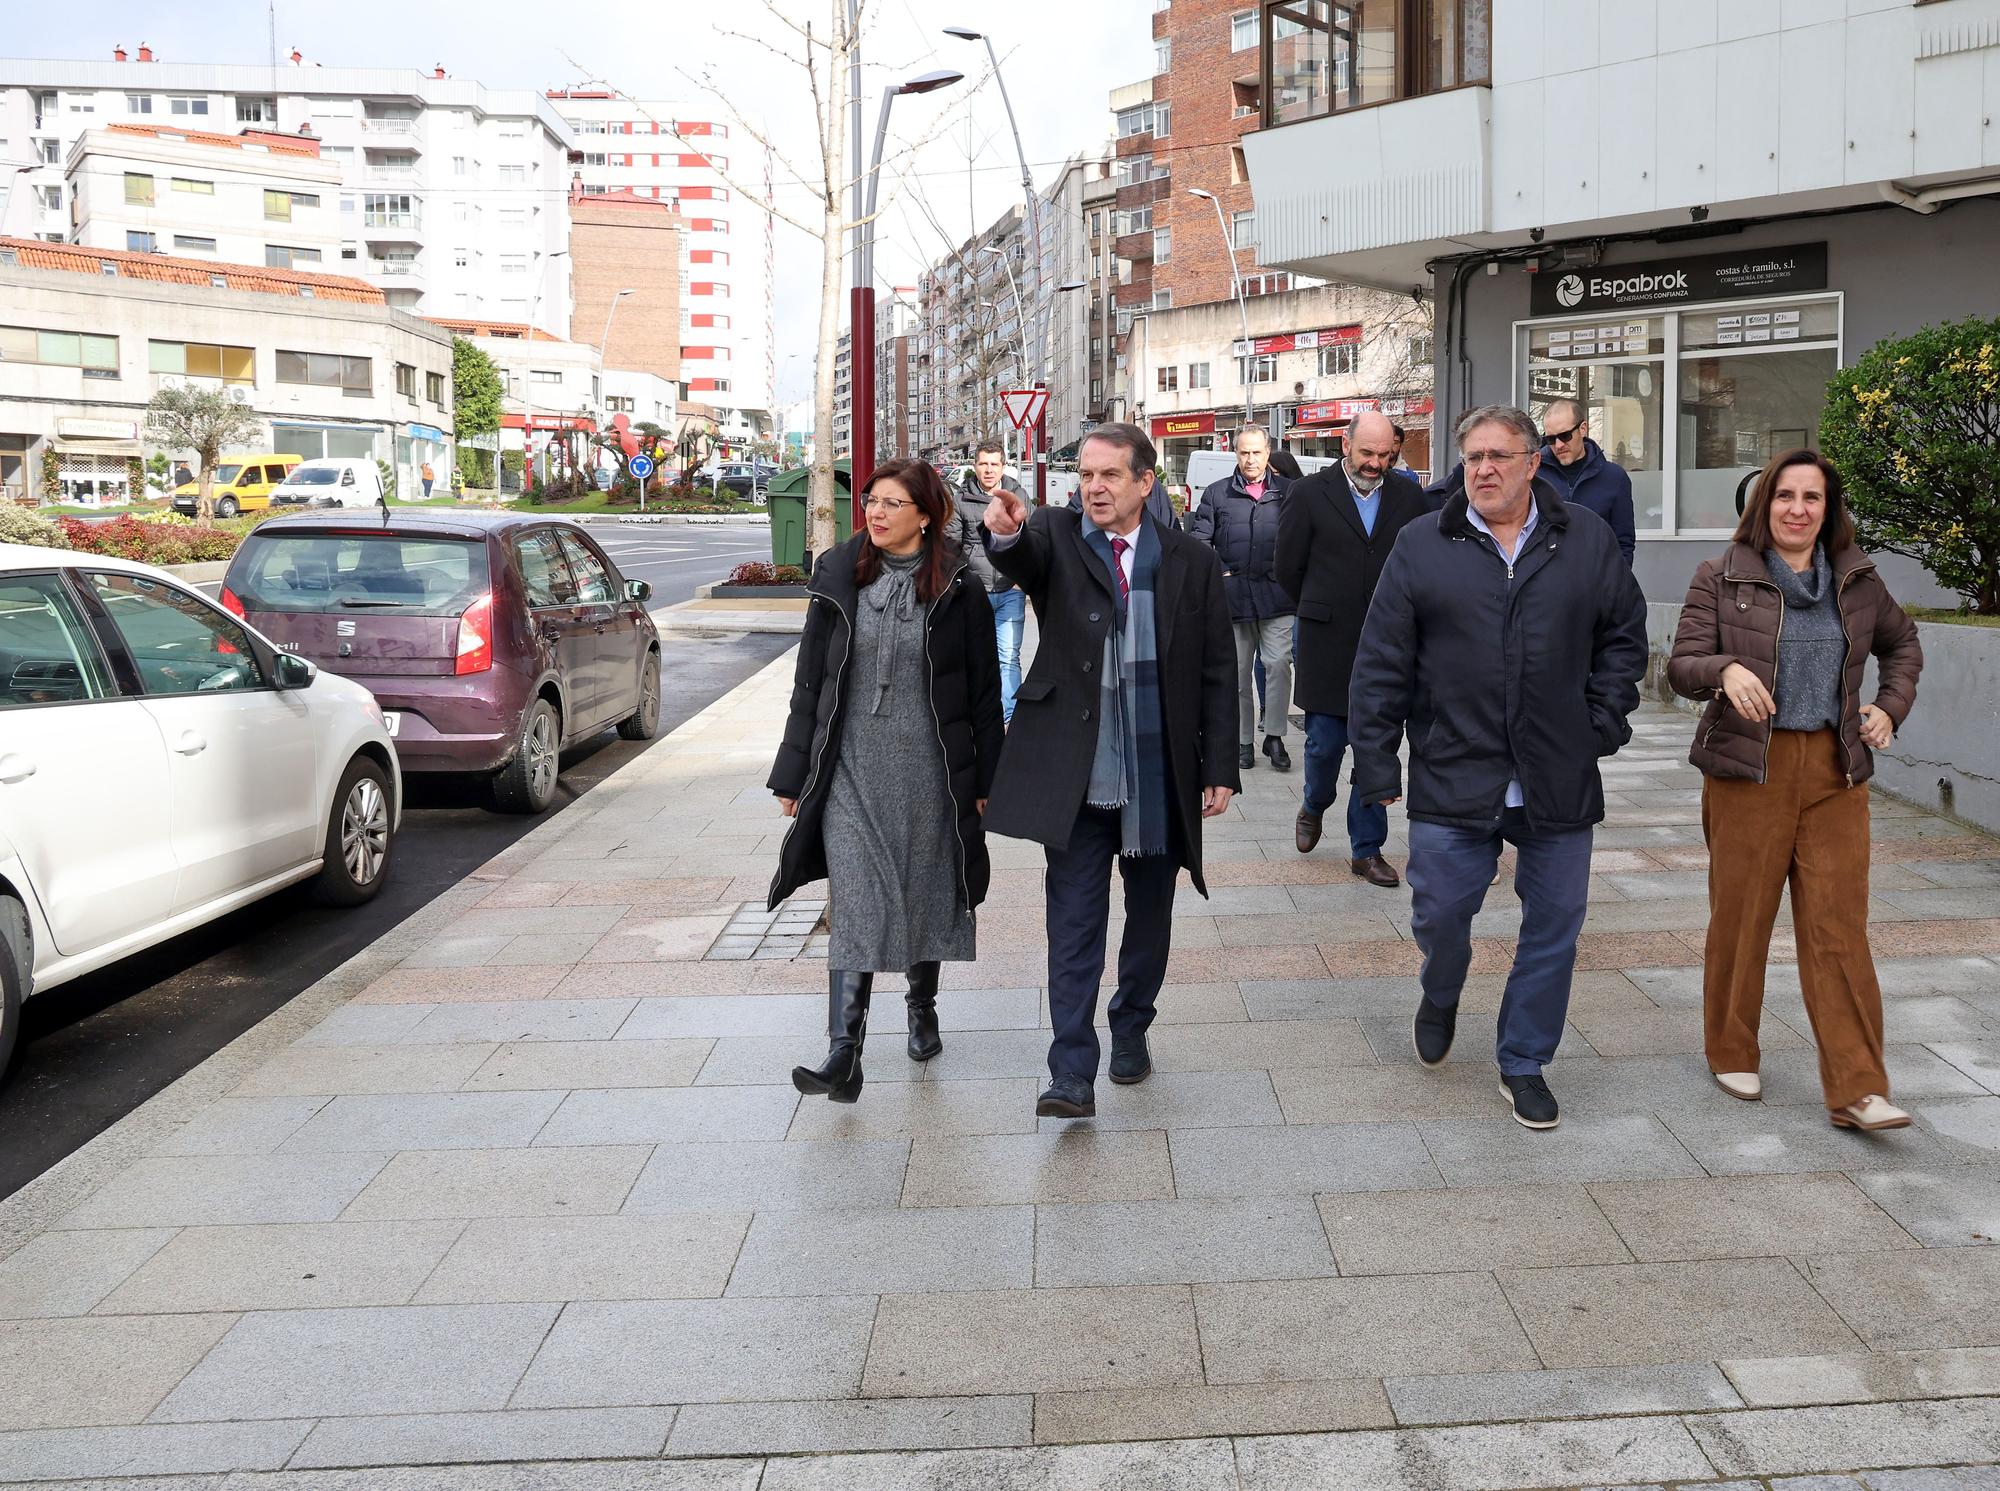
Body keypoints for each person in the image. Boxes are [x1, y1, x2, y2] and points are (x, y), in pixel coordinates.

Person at [1348, 404, 1647, 1130]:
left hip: (1558, 772)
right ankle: (1441, 987)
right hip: (1456, 765)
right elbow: (1382, 659)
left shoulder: (1586, 540)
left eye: (1499, 456)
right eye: (1472, 456)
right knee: (1443, 910)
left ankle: (1524, 1060)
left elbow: (1624, 636)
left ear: (1533, 463)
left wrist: (1598, 724)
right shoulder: (1425, 543)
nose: (1482, 469)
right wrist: (1378, 766)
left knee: (1554, 924)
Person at [980, 423, 1238, 1119]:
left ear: (1144, 482)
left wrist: (1220, 765)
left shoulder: (1190, 559)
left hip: (1157, 771)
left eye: (1109, 475)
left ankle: (1131, 1024)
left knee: (1150, 916)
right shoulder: (1059, 539)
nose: (1093, 487)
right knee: (1073, 924)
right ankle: (1069, 1071)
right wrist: (1005, 531)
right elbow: (1024, 555)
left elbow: (1218, 669)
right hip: (1077, 774)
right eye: (1085, 475)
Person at [1668, 449, 1922, 1130]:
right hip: (1750, 769)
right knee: (1742, 917)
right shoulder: (1721, 576)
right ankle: (1730, 1046)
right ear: (1763, 503)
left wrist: (1889, 708)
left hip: (1837, 773)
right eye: (1785, 495)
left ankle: (1858, 1088)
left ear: (1829, 509)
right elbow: (1681, 664)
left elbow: (1903, 644)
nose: (1799, 509)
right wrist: (1723, 669)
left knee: (1839, 928)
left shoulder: (1858, 580)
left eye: (1813, 497)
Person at [767, 457, 1005, 1102]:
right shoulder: (839, 575)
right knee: (857, 899)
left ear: (925, 516)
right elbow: (809, 682)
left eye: (892, 503)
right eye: (871, 500)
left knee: (923, 887)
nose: (874, 512)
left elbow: (984, 692)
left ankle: (921, 1005)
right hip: (849, 766)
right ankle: (844, 1052)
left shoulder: (960, 585)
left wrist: (988, 775)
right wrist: (794, 772)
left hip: (931, 770)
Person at [1276, 411, 1428, 887]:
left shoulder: (1408, 495)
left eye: (1385, 455)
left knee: (1374, 748)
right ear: (1346, 444)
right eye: (1367, 453)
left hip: (1389, 643)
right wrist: (1319, 607)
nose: (1376, 463)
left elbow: (1424, 562)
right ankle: (1313, 803)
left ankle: (1367, 850)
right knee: (1324, 745)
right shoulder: (1308, 493)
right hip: (1327, 640)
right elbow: (1287, 567)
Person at [1190, 428, 1295, 773]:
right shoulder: (1218, 493)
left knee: (1278, 664)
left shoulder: (1288, 493)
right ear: (1235, 454)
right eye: (1244, 453)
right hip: (1232, 599)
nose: (1250, 460)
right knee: (1237, 675)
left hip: (1277, 595)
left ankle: (1275, 736)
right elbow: (1199, 540)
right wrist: (1218, 573)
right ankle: (1243, 741)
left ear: (1268, 453)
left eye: (1257, 453)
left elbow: (1304, 538)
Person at [954, 440, 1029, 723]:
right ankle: (977, 717)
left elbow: (1030, 541)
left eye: (994, 464)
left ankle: (1010, 720)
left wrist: (1022, 581)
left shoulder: (1018, 495)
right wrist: (962, 583)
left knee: (1008, 657)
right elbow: (952, 545)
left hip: (1010, 591)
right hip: (975, 592)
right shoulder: (960, 499)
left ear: (1002, 466)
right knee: (973, 656)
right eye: (983, 464)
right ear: (975, 466)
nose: (988, 470)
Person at [1536, 398, 1636, 567]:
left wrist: (1615, 586)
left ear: (1583, 429)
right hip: (1545, 583)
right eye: (1551, 439)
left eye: (1565, 436)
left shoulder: (1614, 478)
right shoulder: (1533, 476)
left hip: (1597, 584)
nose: (1559, 445)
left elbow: (1623, 543)